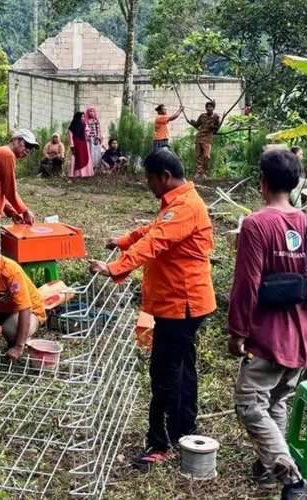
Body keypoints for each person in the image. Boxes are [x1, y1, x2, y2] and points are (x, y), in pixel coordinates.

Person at [88, 148, 216, 471]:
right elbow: (151, 230)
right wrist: (123, 240)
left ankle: (161, 444)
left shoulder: (185, 206)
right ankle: (184, 430)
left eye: (149, 179)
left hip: (181, 305)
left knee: (164, 373)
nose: (148, 185)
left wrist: (115, 267)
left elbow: (155, 240)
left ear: (165, 177)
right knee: (183, 368)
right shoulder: (176, 204)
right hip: (182, 304)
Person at [228, 148, 307, 498]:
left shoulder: (256, 223)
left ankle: (292, 481)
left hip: (268, 338)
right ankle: (267, 471)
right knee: (275, 401)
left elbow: (247, 283)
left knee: (249, 403)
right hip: (302, 337)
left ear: (262, 182)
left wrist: (237, 332)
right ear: (295, 184)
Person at [187, 101, 221, 178]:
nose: (209, 108)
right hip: (199, 137)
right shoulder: (202, 116)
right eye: (208, 107)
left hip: (208, 138)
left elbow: (217, 128)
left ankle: (204, 172)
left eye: (211, 107)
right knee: (198, 155)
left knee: (206, 156)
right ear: (206, 108)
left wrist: (213, 127)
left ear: (213, 108)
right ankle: (198, 172)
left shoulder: (216, 117)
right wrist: (193, 122)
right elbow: (197, 124)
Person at [68, 111, 94, 179]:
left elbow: (87, 132)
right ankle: (74, 175)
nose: (83, 118)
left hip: (83, 145)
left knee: (84, 158)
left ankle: (85, 174)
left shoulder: (84, 125)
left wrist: (87, 135)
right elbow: (70, 137)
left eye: (83, 116)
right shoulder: (71, 127)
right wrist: (72, 146)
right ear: (77, 117)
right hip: (76, 145)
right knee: (75, 159)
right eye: (81, 116)